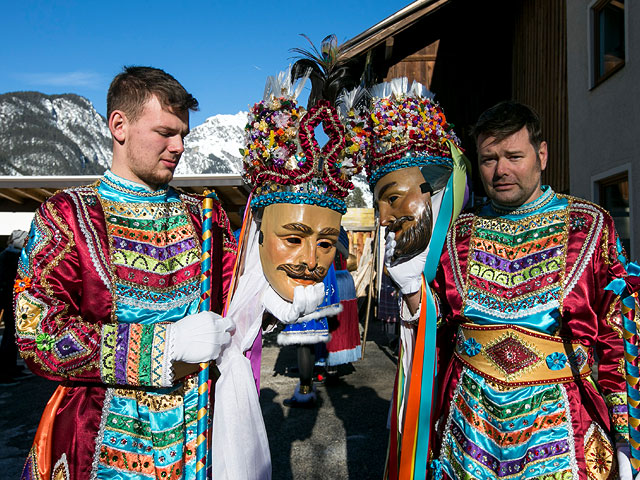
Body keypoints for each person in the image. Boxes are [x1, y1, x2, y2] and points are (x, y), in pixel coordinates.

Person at [15, 66, 237, 480]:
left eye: (184, 135)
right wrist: (161, 346)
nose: (179, 146)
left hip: (199, 433)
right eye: (165, 132)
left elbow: (235, 302)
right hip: (98, 438)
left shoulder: (204, 216)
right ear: (120, 125)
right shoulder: (68, 216)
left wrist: (280, 296)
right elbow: (37, 334)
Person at [431, 101, 632, 479]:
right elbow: (434, 327)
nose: (501, 170)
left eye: (513, 156)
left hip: (562, 426)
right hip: (469, 428)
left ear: (541, 155)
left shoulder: (588, 225)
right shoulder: (456, 233)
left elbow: (617, 330)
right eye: (489, 159)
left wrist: (626, 435)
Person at [355, 78, 469, 479]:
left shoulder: (468, 252)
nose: (384, 219)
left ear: (433, 188)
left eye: (391, 198)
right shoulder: (411, 260)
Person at [0, 229, 28, 385]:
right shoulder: (11, 257)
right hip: (11, 300)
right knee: (10, 334)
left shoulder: (9, 256)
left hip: (13, 299)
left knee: (13, 334)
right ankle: (5, 371)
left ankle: (11, 367)